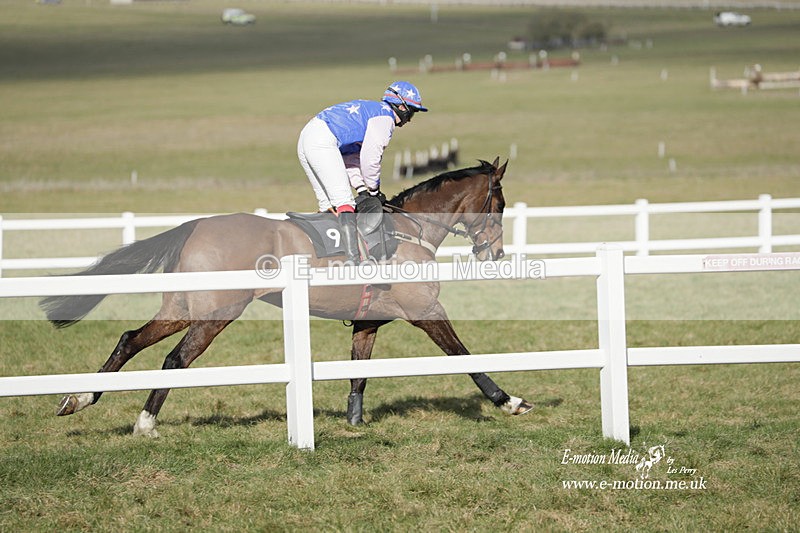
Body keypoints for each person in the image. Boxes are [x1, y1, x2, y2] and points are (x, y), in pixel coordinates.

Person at [297, 81, 428, 262]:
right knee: (344, 202)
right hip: (322, 139)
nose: (410, 119)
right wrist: (374, 190)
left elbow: (351, 158)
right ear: (401, 107)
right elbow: (371, 160)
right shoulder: (385, 119)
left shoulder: (373, 111)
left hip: (308, 135)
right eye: (411, 112)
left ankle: (327, 258)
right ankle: (353, 260)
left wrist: (361, 189)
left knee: (327, 205)